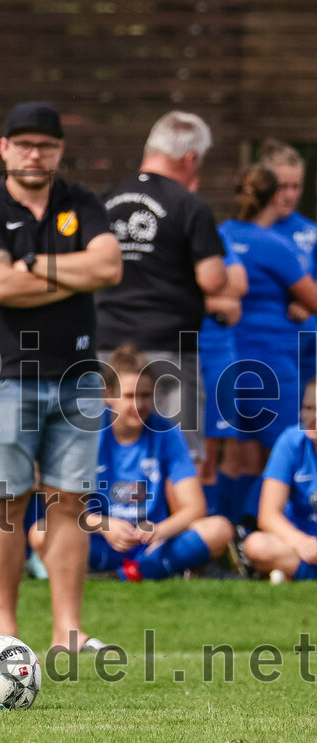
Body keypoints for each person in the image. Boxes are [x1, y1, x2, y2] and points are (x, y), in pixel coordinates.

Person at [0, 101, 122, 652]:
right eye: (25, 143)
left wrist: (31, 266)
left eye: (46, 145)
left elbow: (109, 267)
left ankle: (67, 632)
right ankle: (6, 631)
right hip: (5, 374)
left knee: (70, 502)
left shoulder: (83, 203)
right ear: (4, 148)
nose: (36, 153)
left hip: (77, 374)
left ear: (59, 150)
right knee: (5, 502)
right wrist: (69, 273)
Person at [31, 345, 233, 580]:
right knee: (40, 532)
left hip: (152, 543)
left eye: (145, 395)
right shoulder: (87, 433)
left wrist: (160, 530)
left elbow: (194, 506)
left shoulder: (167, 432)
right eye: (129, 396)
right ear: (109, 396)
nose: (138, 405)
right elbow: (60, 506)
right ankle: (149, 571)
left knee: (219, 528)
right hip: (105, 540)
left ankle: (121, 575)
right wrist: (104, 526)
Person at [96, 111, 228, 463]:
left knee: (100, 454)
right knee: (180, 457)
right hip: (168, 347)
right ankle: (177, 519)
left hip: (105, 344)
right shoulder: (189, 205)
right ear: (190, 159)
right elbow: (212, 279)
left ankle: (103, 519)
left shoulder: (104, 200)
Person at [218, 165, 317, 519]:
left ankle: (235, 531)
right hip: (273, 361)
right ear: (274, 196)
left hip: (229, 357)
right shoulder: (275, 245)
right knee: (285, 448)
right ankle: (267, 525)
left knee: (238, 452)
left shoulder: (221, 235)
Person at [243, 377, 317, 581]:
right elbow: (268, 515)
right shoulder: (291, 440)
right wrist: (303, 543)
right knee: (257, 545)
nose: (312, 417)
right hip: (300, 544)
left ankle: (297, 575)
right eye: (308, 408)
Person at [197, 232, 247, 521]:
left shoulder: (214, 237)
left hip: (217, 353)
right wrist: (213, 302)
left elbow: (239, 283)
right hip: (178, 351)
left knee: (211, 451)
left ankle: (212, 541)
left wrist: (194, 289)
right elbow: (163, 292)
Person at [260, 139, 317, 390]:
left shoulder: (310, 232)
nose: (291, 194)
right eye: (283, 186)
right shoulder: (248, 231)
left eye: (297, 186)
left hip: (308, 348)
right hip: (263, 347)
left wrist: (308, 302)